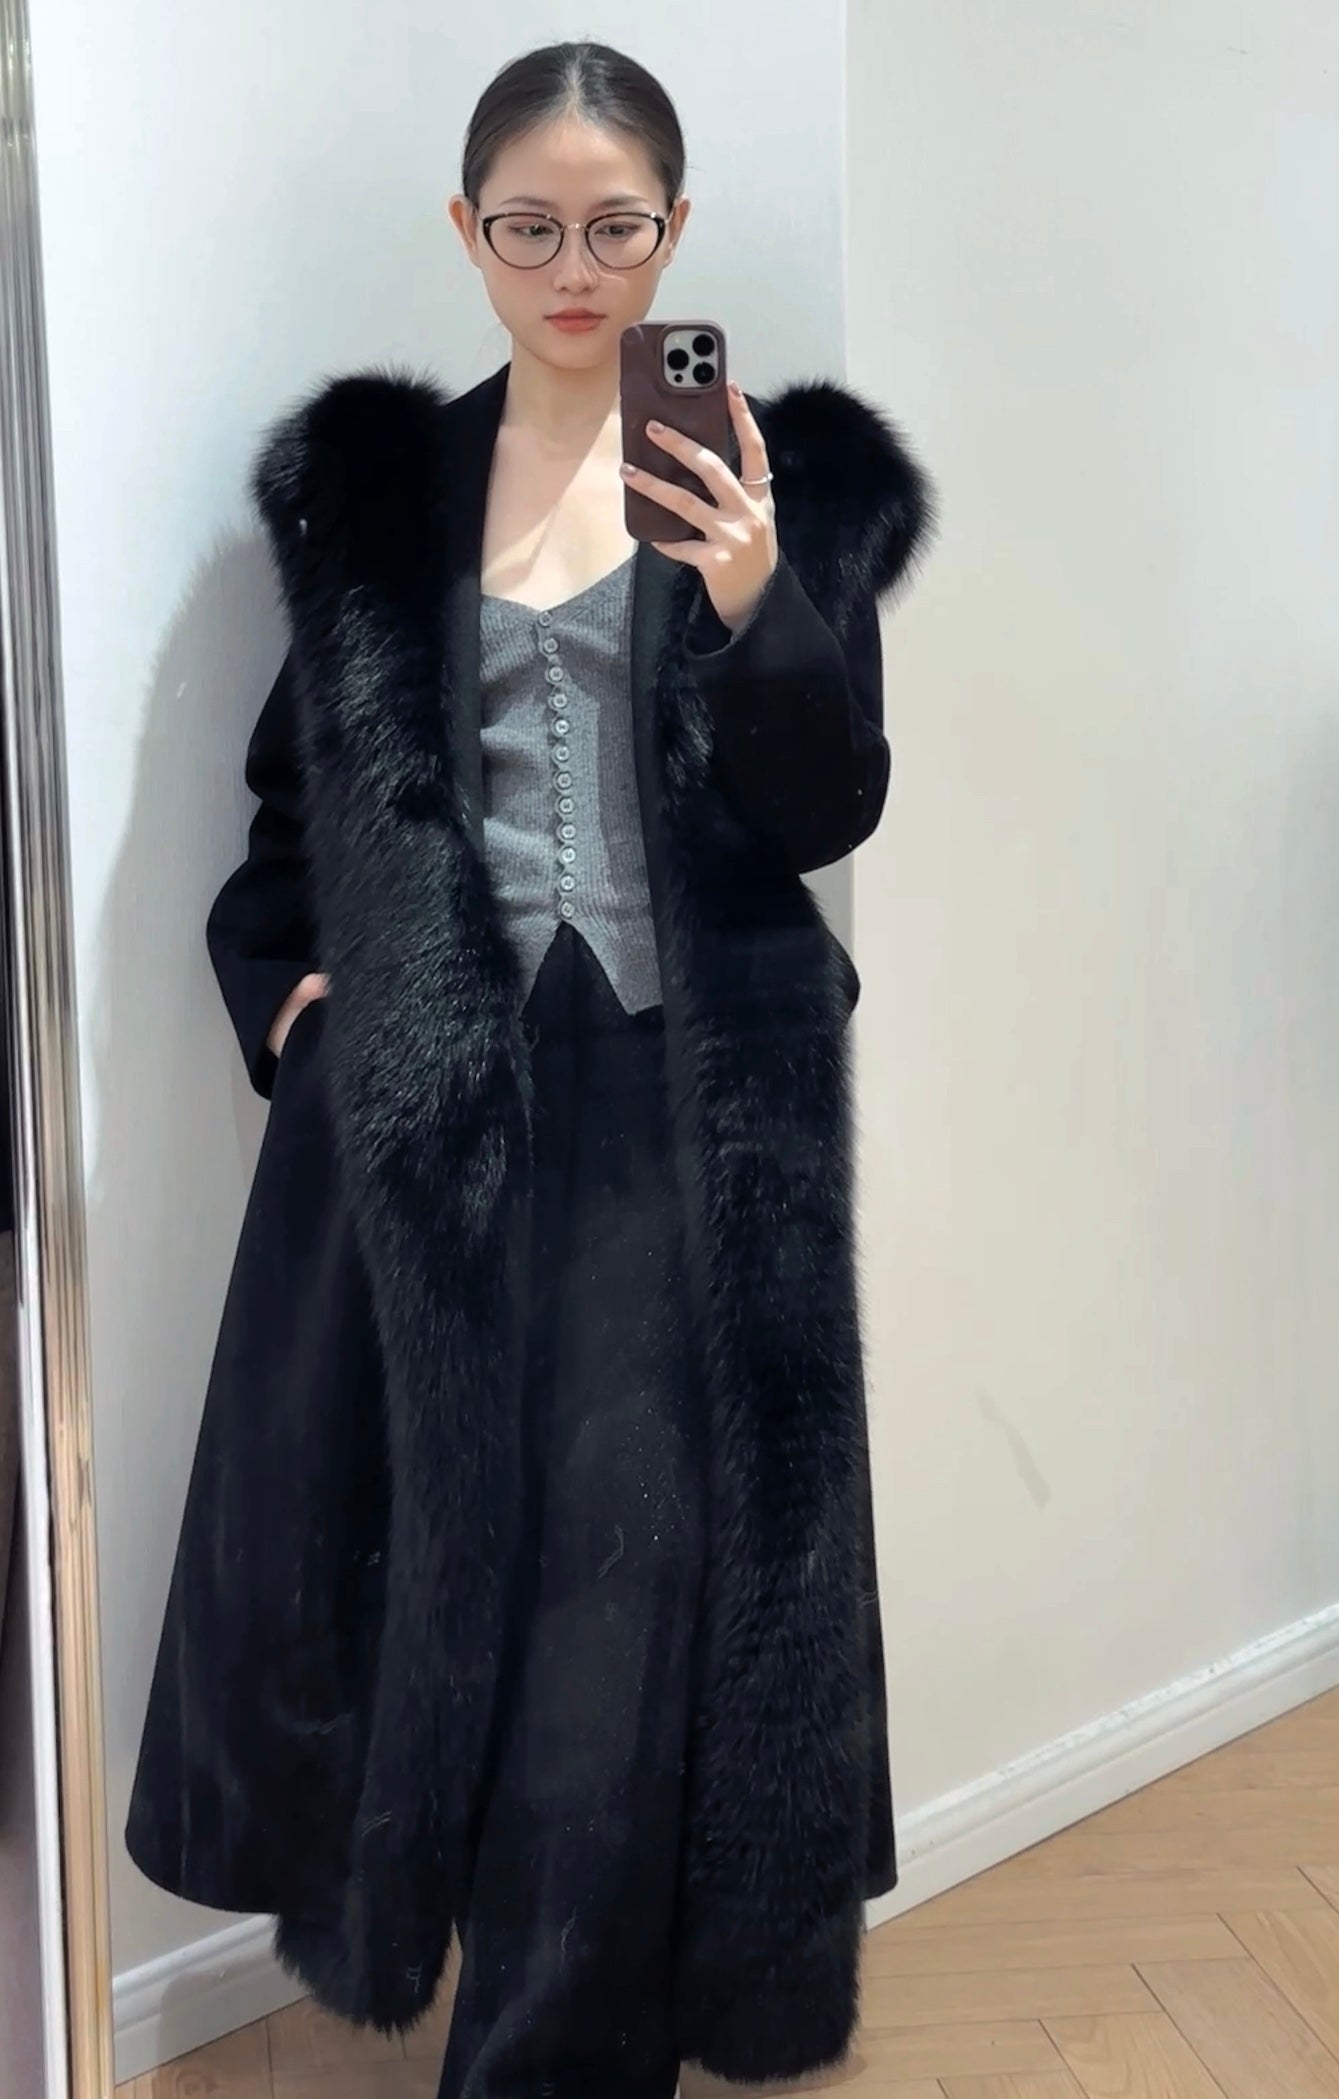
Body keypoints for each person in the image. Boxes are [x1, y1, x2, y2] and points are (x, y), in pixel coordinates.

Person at [124, 38, 936, 2099]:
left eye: (617, 227)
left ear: (676, 231)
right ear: (467, 235)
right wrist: (290, 998)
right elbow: (296, 809)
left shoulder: (787, 482)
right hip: (438, 1126)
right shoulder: (380, 498)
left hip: (686, 1111)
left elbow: (827, 806)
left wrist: (754, 592)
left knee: (622, 1598)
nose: (576, 269)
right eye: (531, 227)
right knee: (442, 1586)